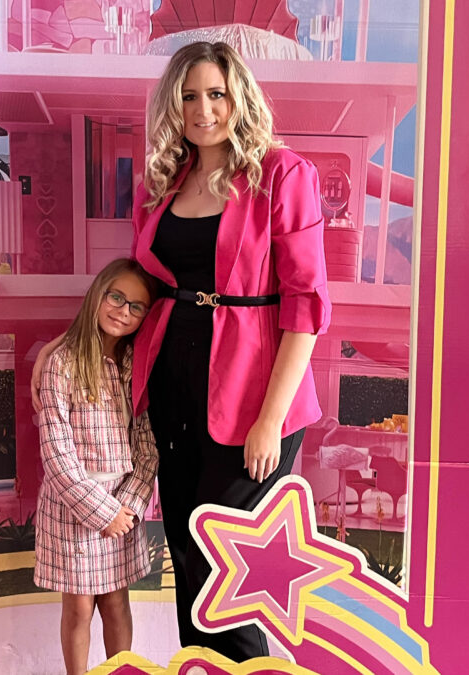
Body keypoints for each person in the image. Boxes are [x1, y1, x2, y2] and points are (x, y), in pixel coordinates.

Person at [35, 42, 330, 662]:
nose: (202, 109)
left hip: (252, 398)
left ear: (238, 98)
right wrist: (72, 345)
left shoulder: (282, 175)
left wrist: (270, 421)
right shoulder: (164, 183)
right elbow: (139, 286)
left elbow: (306, 307)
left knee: (230, 569)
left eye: (215, 94)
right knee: (188, 557)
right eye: (189, 96)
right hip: (171, 389)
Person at [34, 258, 160, 675]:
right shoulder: (62, 364)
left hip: (122, 507)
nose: (123, 311)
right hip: (74, 510)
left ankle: (120, 670)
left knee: (116, 600)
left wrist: (127, 508)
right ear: (98, 295)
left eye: (136, 306)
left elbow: (146, 446)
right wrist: (101, 513)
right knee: (79, 605)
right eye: (117, 297)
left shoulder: (133, 367)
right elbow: (57, 452)